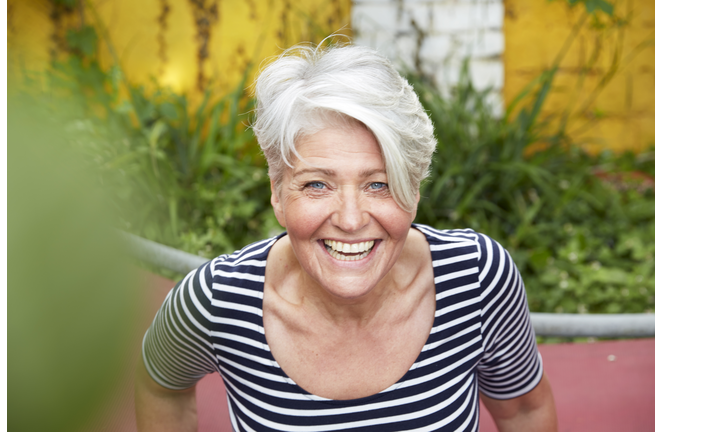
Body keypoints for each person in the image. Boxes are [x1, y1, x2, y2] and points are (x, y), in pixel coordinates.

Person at [135, 42, 557, 432]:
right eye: (317, 184)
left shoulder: (477, 278)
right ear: (278, 192)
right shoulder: (217, 301)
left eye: (379, 183)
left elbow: (523, 409)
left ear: (414, 191)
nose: (352, 220)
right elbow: (160, 386)